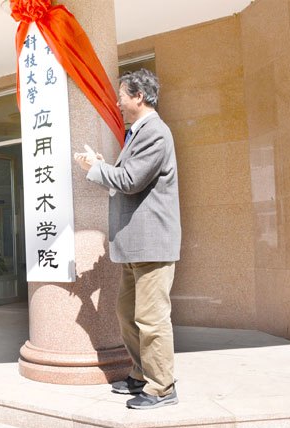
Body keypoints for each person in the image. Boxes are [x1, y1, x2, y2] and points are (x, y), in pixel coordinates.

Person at [74, 68, 181, 409]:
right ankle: (140, 373)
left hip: (151, 243)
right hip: (136, 244)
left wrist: (95, 167)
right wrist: (105, 167)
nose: (118, 103)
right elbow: (128, 178)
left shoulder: (155, 132)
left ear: (139, 96)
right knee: (127, 312)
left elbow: (132, 179)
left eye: (122, 95)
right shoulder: (138, 133)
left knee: (151, 319)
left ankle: (162, 387)